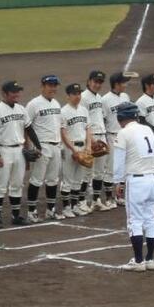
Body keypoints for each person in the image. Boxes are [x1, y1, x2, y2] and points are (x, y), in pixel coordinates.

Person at [112, 103, 154, 272]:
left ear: (120, 118)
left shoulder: (124, 132)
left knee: (135, 221)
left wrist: (118, 181)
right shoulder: (147, 130)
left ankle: (139, 261)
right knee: (151, 220)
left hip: (136, 181)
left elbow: (118, 161)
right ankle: (150, 259)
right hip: (152, 179)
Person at [0, 80, 34, 228]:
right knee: (0, 185)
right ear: (4, 94)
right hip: (3, 150)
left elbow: (29, 130)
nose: (17, 94)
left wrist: (35, 147)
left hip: (19, 150)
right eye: (13, 92)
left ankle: (16, 216)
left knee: (17, 184)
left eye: (18, 91)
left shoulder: (21, 109)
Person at [25, 75, 64, 222]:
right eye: (50, 85)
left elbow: (59, 126)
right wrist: (29, 148)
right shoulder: (33, 104)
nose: (53, 88)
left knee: (53, 180)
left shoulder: (56, 103)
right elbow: (26, 127)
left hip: (56, 146)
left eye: (55, 85)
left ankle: (50, 210)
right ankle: (31, 211)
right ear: (43, 86)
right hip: (41, 147)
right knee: (36, 180)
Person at [100, 72, 133, 209]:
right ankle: (108, 198)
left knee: (125, 167)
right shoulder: (105, 100)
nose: (126, 85)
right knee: (110, 168)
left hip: (125, 135)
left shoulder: (126, 97)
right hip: (112, 136)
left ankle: (119, 196)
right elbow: (102, 119)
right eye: (124, 82)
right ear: (117, 84)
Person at [60, 83, 92, 217]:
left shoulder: (84, 110)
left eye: (79, 93)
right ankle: (66, 208)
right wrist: (73, 150)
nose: (78, 96)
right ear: (68, 95)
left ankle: (75, 206)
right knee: (67, 179)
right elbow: (63, 133)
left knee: (78, 179)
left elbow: (88, 128)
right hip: (70, 148)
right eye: (75, 94)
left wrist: (88, 146)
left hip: (83, 147)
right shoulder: (63, 111)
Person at [80, 70, 108, 212]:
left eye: (100, 82)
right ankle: (82, 201)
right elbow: (84, 122)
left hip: (101, 135)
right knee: (86, 171)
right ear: (89, 81)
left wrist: (103, 138)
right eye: (96, 81)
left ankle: (96, 199)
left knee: (99, 172)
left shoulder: (99, 97)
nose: (98, 84)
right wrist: (91, 140)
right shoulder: (83, 98)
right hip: (90, 137)